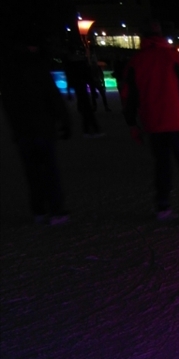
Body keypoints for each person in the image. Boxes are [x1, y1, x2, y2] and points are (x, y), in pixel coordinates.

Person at [121, 19, 179, 223]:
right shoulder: (171, 57)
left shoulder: (136, 61)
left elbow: (128, 96)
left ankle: (163, 206)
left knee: (162, 165)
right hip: (177, 121)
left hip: (153, 122)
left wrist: (132, 124)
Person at [0, 38, 72, 224]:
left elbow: (8, 102)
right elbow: (53, 97)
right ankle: (55, 210)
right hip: (42, 127)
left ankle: (39, 209)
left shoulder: (9, 71)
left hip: (22, 130)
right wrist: (64, 121)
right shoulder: (38, 67)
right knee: (49, 170)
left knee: (32, 171)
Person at [65, 49, 103, 136]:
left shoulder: (71, 67)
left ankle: (89, 129)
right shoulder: (82, 66)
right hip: (82, 89)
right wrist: (93, 91)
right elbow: (89, 79)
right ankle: (92, 129)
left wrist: (69, 92)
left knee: (84, 109)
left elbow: (70, 80)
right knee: (87, 109)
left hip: (79, 89)